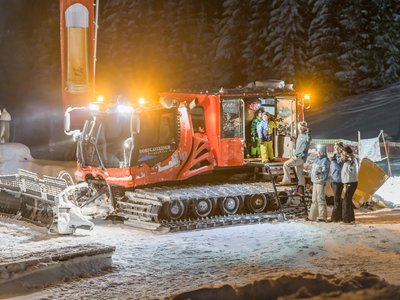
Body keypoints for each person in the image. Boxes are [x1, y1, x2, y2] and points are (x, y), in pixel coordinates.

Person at [281, 121, 312, 197]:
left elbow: (308, 140)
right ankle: (301, 190)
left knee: (286, 164)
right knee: (299, 174)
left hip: (299, 157)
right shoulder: (300, 135)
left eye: (299, 127)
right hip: (299, 156)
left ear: (302, 127)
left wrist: (309, 133)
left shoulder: (305, 135)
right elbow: (299, 145)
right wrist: (294, 140)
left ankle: (287, 180)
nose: (298, 128)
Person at [307, 144, 330, 221]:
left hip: (320, 181)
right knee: (314, 199)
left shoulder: (325, 160)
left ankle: (322, 216)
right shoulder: (317, 159)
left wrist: (318, 171)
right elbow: (313, 168)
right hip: (315, 181)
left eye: (319, 150)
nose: (318, 152)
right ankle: (312, 216)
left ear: (323, 151)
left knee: (320, 198)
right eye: (317, 150)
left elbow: (325, 169)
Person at [341, 145, 359, 224]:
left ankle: (347, 219)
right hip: (349, 182)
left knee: (346, 201)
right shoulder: (349, 159)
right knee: (347, 200)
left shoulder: (351, 159)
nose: (342, 153)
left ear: (346, 152)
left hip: (351, 182)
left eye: (343, 151)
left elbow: (350, 171)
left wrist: (346, 159)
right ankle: (350, 219)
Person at [329, 142, 345, 222]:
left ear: (340, 148)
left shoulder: (341, 156)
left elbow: (339, 166)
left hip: (338, 180)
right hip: (333, 179)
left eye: (337, 147)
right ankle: (339, 216)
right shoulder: (335, 155)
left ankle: (335, 217)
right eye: (335, 146)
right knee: (337, 199)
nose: (335, 148)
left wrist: (334, 160)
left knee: (337, 199)